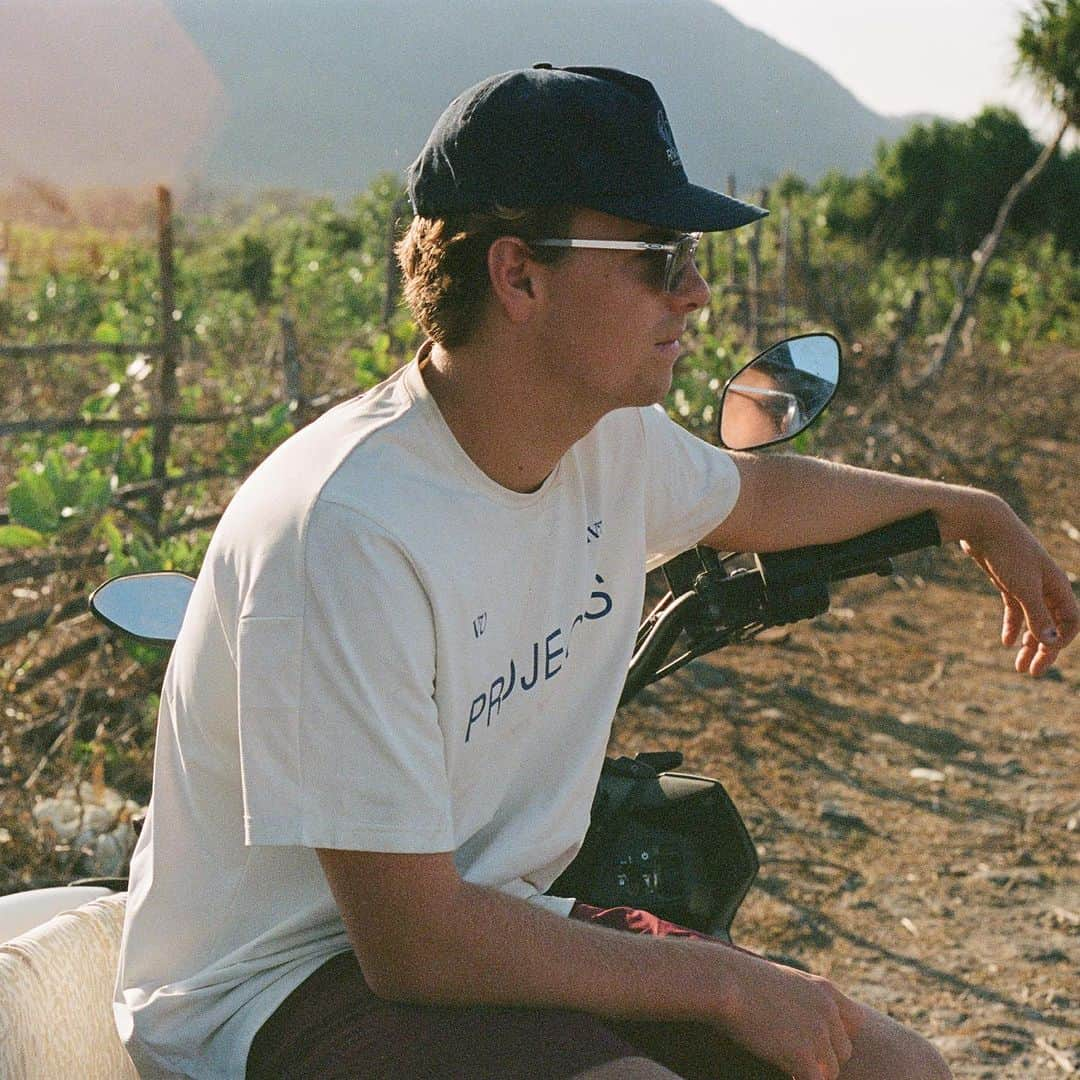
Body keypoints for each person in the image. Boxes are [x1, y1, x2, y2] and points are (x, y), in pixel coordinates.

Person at [114, 65, 1077, 1080]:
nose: (697, 291)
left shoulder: (604, 439)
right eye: (660, 256)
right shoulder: (347, 531)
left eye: (691, 254)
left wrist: (963, 509)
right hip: (285, 988)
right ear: (519, 276)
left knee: (891, 1068)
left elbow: (755, 496)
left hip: (499, 923)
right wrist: (723, 981)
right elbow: (412, 945)